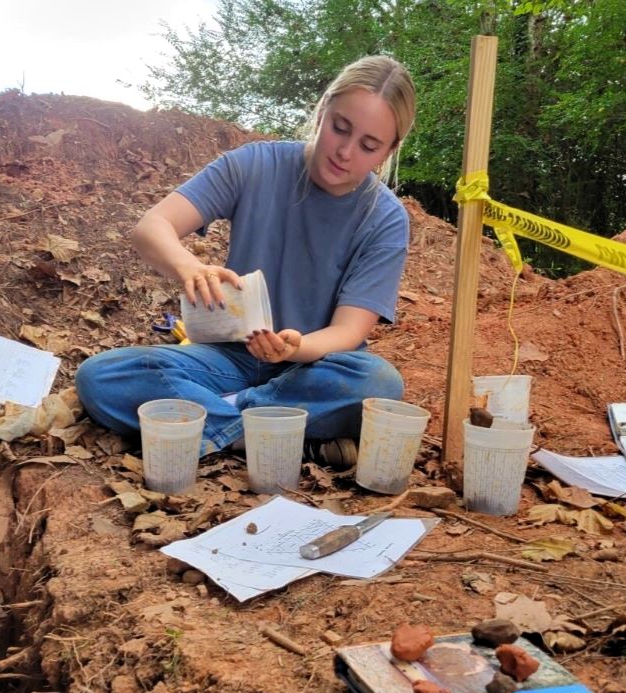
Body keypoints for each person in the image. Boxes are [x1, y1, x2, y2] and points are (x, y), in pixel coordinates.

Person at [75, 55, 416, 465]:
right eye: (340, 128)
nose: (345, 151)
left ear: (390, 150)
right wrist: (189, 268)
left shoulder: (385, 218)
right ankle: (274, 433)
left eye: (368, 145)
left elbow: (348, 332)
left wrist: (295, 346)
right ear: (323, 110)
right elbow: (152, 227)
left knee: (378, 383)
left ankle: (213, 418)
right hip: (228, 358)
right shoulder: (254, 164)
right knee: (101, 377)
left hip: (314, 367)